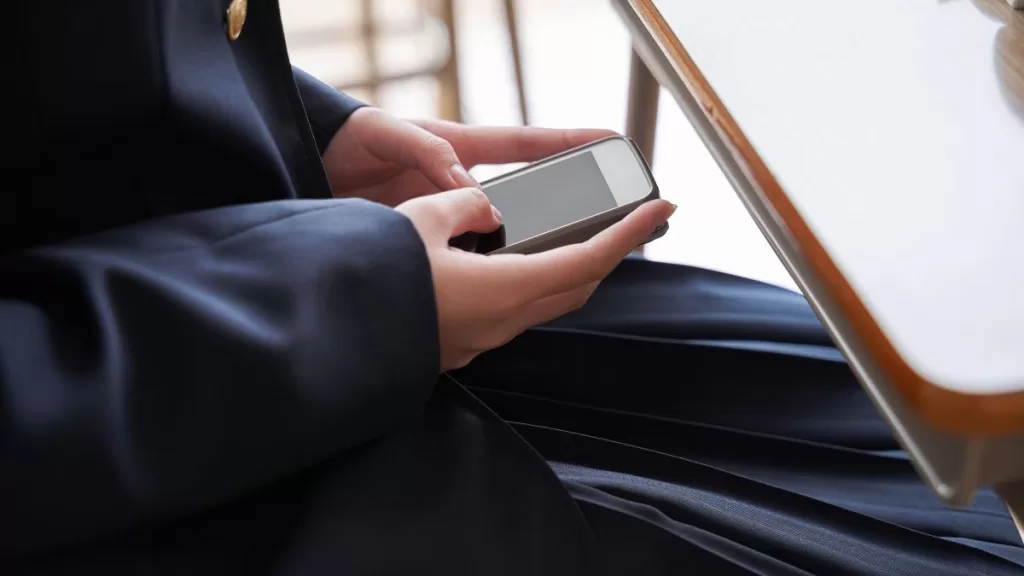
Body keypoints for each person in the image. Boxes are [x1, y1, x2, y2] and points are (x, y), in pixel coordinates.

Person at [6, 1, 1021, 574]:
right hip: (156, 448)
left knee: (860, 397)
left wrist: (302, 132)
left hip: (278, 278)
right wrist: (365, 300)